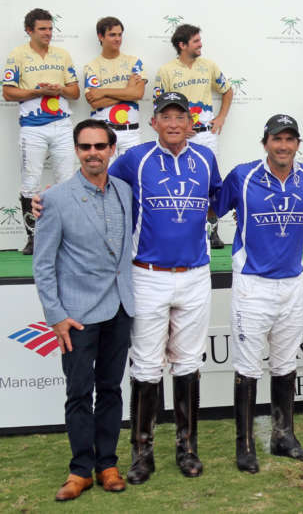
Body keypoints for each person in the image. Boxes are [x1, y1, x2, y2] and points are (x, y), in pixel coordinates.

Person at [110, 91, 222, 483]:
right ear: (153, 122)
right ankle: (142, 453)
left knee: (189, 362)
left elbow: (215, 200)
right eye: (166, 116)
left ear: (191, 123)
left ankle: (187, 447)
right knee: (145, 364)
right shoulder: (134, 159)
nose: (174, 123)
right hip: (148, 274)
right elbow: (99, 184)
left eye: (181, 116)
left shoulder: (206, 158)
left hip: (195, 274)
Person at [32, 120, 135, 501]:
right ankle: (80, 470)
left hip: (121, 308)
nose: (93, 152)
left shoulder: (125, 190)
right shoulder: (56, 198)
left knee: (111, 390)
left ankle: (107, 464)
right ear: (76, 150)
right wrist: (56, 316)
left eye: (100, 146)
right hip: (76, 316)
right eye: (85, 146)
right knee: (79, 393)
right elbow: (43, 264)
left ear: (112, 149)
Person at [213, 114, 303, 473]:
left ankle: (283, 437)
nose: (283, 145)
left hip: (291, 282)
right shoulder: (243, 175)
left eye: (290, 139)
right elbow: (211, 209)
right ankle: (243, 444)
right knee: (248, 366)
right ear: (265, 143)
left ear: (298, 145)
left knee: (286, 364)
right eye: (277, 139)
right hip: (252, 284)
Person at [3, 8, 80, 255]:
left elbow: (75, 92)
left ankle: (67, 237)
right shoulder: (17, 55)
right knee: (31, 182)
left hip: (62, 125)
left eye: (50, 28)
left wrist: (59, 88)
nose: (48, 33)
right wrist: (38, 91)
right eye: (42, 29)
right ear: (29, 30)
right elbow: (8, 92)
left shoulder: (62, 54)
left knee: (67, 181)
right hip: (32, 127)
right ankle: (34, 238)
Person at [154, 23, 231, 248]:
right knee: (179, 182)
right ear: (182, 45)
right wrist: (176, 128)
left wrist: (221, 117)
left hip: (206, 135)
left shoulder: (208, 66)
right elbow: (159, 105)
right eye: (196, 41)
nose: (200, 44)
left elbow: (227, 90)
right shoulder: (166, 71)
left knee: (209, 183)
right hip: (178, 137)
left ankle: (213, 230)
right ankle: (182, 229)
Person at [82, 16, 147, 159]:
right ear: (101, 36)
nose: (117, 39)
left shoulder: (134, 62)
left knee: (132, 179)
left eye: (119, 34)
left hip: (131, 133)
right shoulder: (92, 66)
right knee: (106, 178)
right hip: (104, 133)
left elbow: (138, 94)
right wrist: (127, 92)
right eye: (112, 35)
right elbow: (95, 102)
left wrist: (103, 91)